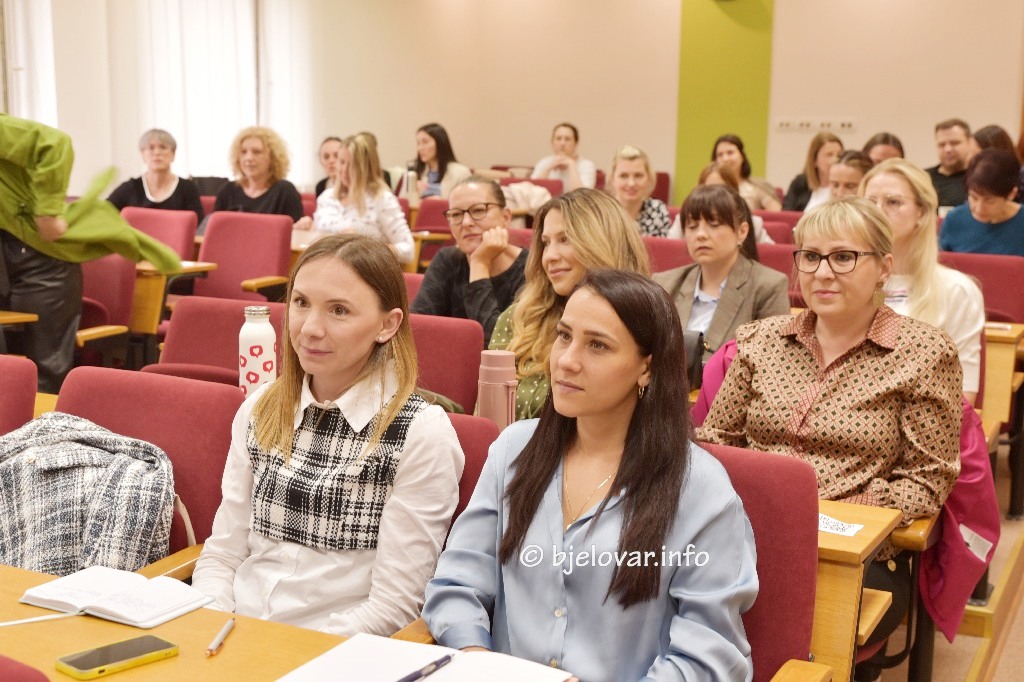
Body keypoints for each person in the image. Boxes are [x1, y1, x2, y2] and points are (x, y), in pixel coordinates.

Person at [423, 269, 758, 682]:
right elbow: (457, 584)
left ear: (647, 368)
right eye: (564, 336)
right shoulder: (514, 450)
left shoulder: (701, 490)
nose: (567, 360)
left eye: (597, 345)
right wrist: (478, 661)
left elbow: (708, 657)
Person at [697, 197, 962, 653]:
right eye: (811, 257)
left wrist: (838, 513)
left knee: (779, 627)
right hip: (742, 531)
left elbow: (928, 478)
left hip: (851, 553)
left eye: (843, 257)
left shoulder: (924, 353)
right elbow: (715, 442)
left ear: (884, 267)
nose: (822, 272)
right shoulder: (760, 340)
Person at [191, 233, 464, 637]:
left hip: (331, 650)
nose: (310, 329)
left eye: (339, 310)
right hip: (232, 635)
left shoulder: (420, 433)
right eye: (301, 303)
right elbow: (222, 556)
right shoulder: (261, 407)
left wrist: (285, 654)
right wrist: (213, 625)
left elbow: (394, 607)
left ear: (387, 325)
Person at [1, 114, 179, 392]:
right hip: (9, 252)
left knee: (42, 371)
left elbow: (54, 143)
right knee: (9, 369)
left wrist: (46, 212)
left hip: (39, 258)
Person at [489, 189, 650, 420]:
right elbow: (486, 413)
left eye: (565, 240)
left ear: (603, 243)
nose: (550, 256)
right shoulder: (519, 316)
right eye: (546, 243)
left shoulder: (640, 322)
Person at [863, 159, 984, 404]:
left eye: (893, 202)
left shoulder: (956, 290)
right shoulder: (844, 281)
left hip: (921, 423)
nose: (878, 211)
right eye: (870, 202)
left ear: (921, 212)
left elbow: (962, 398)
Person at [654, 185, 789, 362]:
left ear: (742, 232)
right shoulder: (664, 283)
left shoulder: (768, 286)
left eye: (714, 225)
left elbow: (772, 363)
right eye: (692, 226)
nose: (700, 235)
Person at [410, 176, 527, 345]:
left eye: (478, 210)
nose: (466, 222)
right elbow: (415, 331)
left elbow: (497, 345)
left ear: (506, 217)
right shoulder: (447, 260)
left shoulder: (531, 269)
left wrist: (479, 263)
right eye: (456, 214)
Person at [305, 134, 415, 264]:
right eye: (342, 162)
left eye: (352, 165)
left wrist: (364, 247)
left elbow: (408, 251)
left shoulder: (382, 199)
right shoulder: (326, 197)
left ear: (367, 168)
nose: (344, 170)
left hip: (362, 269)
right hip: (322, 266)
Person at [107, 129, 204, 223]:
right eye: (151, 148)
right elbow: (104, 213)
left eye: (163, 147)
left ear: (173, 154)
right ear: (142, 154)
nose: (157, 153)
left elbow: (198, 224)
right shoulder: (130, 187)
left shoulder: (188, 188)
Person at [940, 148, 1024, 256]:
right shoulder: (954, 220)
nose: (979, 208)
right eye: (974, 197)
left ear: (1011, 194)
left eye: (989, 201)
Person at [214, 126, 304, 223]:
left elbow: (295, 229)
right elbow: (214, 228)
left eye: (257, 152)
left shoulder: (285, 191)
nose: (249, 158)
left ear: (273, 157)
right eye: (243, 152)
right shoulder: (227, 191)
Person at [667, 162, 774, 244]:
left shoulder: (753, 223)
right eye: (709, 189)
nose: (715, 196)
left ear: (734, 191)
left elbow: (772, 256)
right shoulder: (684, 220)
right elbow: (668, 251)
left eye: (721, 189)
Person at [607, 145, 671, 237]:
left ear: (649, 178)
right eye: (624, 176)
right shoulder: (601, 213)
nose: (631, 183)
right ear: (612, 179)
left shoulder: (657, 210)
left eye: (638, 175)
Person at [711, 134, 781, 212]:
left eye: (730, 153)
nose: (725, 159)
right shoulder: (708, 187)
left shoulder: (758, 187)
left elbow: (777, 214)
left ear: (742, 156)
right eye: (720, 155)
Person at [783, 132, 843, 211]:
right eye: (829, 155)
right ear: (814, 160)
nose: (835, 160)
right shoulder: (801, 183)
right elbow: (786, 214)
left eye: (839, 155)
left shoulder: (845, 188)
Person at [531, 123, 596, 192]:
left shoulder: (587, 165)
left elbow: (583, 195)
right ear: (552, 142)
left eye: (567, 139)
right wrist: (548, 168)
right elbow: (531, 190)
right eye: (558, 138)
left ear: (576, 143)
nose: (562, 143)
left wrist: (571, 164)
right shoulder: (544, 162)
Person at [413, 123, 470, 200]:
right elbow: (402, 202)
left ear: (440, 143)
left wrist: (440, 202)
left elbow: (465, 202)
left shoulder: (460, 172)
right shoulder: (415, 172)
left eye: (425, 142)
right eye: (418, 143)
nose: (420, 148)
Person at [967, 124, 1023, 200]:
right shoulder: (975, 175)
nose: (969, 159)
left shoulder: (1020, 178)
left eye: (975, 155)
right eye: (969, 153)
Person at [926, 119, 971, 209]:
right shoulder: (923, 178)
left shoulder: (978, 179)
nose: (948, 149)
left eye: (954, 143)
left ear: (969, 143)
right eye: (942, 145)